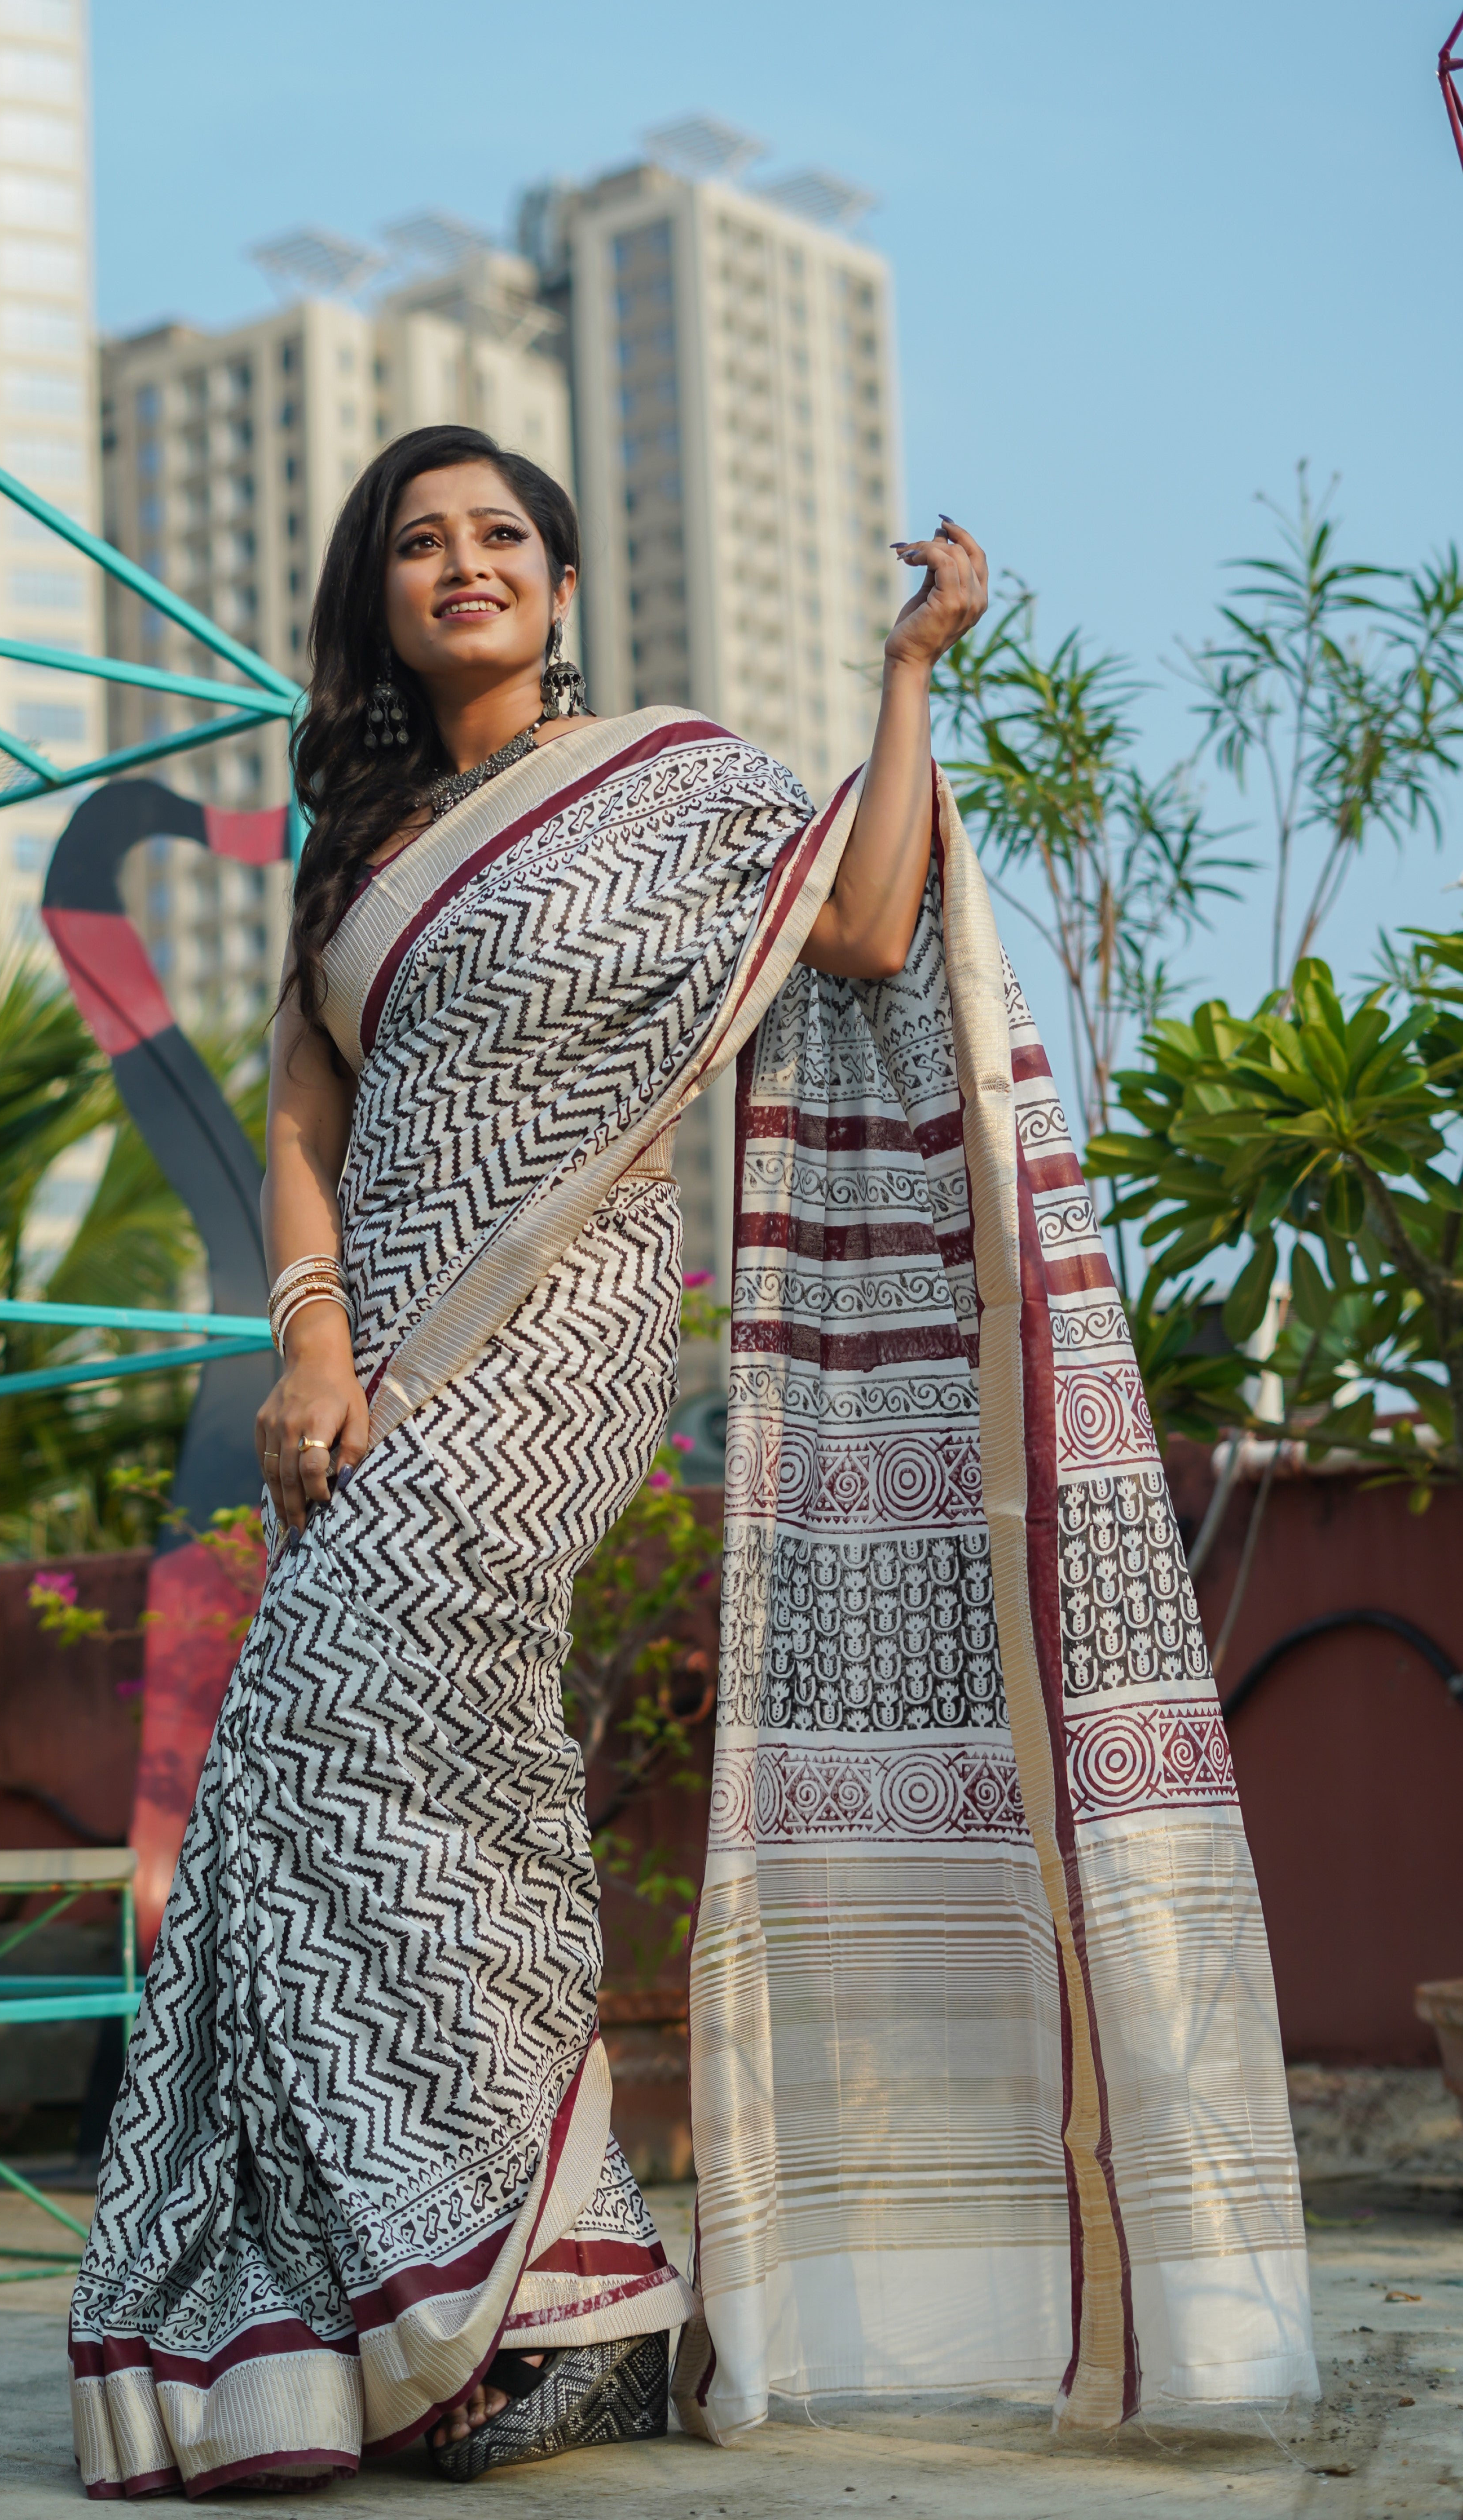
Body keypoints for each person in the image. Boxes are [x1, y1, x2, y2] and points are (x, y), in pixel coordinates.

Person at [69, 427, 1316, 2496]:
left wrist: (910, 675)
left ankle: (496, 2285)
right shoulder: (359, 837)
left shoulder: (681, 785)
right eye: (417, 544)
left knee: (370, 1733)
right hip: (360, 1372)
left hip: (544, 1357)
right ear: (376, 600)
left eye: (498, 537)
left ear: (558, 586)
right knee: (323, 1798)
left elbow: (865, 922)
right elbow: (302, 1106)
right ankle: (527, 2306)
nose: (461, 565)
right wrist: (304, 1344)